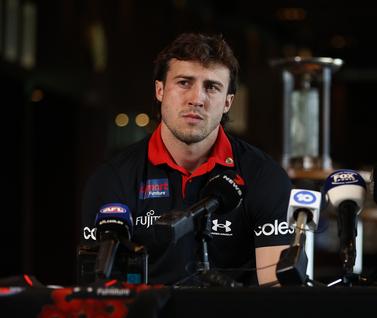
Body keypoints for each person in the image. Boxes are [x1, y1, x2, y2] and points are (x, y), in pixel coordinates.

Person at [80, 33, 292, 286]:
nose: (197, 99)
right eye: (184, 82)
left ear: (227, 102)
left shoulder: (263, 176)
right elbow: (101, 291)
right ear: (160, 90)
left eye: (211, 87)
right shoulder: (114, 178)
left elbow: (275, 289)